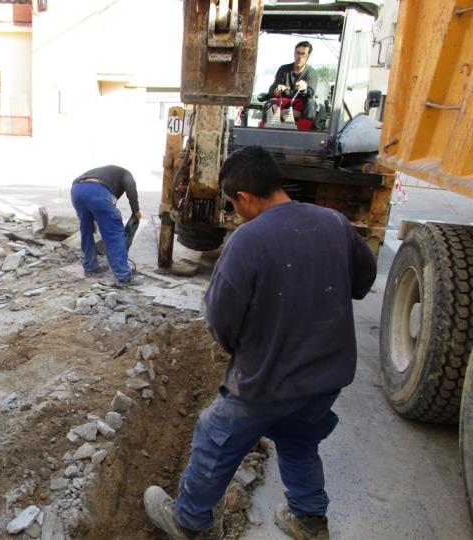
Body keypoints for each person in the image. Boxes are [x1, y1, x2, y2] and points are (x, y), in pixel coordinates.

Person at [144, 146, 376, 540]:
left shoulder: (247, 240)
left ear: (245, 197)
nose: (236, 214)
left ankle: (187, 521)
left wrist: (245, 351)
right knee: (298, 439)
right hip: (325, 380)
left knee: (213, 437)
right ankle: (308, 519)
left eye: (234, 206)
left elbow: (220, 320)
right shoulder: (335, 223)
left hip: (266, 383)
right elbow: (362, 281)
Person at [70, 165, 143, 286]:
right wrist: (136, 211)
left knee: (86, 230)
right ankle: (123, 276)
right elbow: (130, 185)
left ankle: (90, 266)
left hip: (76, 190)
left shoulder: (104, 172)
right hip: (98, 190)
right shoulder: (126, 173)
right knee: (114, 233)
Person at [263, 41, 318, 130]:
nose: (299, 57)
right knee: (269, 104)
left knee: (311, 103)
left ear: (309, 56)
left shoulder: (312, 73)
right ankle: (264, 131)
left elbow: (311, 93)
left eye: (303, 54)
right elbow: (272, 89)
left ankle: (302, 132)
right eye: (298, 53)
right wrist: (277, 89)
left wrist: (305, 88)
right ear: (294, 53)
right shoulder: (283, 69)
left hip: (300, 104)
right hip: (283, 102)